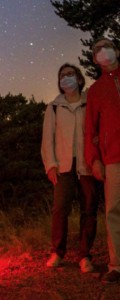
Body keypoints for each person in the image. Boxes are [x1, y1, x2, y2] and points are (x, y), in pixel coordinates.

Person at [41, 63, 98, 273]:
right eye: (62, 76)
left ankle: (85, 255)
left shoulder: (89, 103)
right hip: (63, 165)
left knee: (89, 210)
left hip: (87, 164)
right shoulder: (54, 107)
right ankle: (57, 252)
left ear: (79, 78)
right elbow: (48, 139)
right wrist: (51, 165)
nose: (66, 78)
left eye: (70, 74)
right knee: (59, 209)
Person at [84, 37, 120, 283]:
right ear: (95, 59)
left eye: (106, 46)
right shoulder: (95, 90)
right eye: (97, 49)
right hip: (113, 157)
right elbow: (91, 130)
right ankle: (116, 264)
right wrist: (94, 160)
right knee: (114, 211)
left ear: (116, 50)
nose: (102, 51)